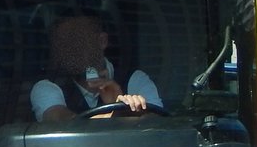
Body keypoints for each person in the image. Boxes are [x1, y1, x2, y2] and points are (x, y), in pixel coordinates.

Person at [30, 13, 162, 122]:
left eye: (77, 41)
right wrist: (116, 113)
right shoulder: (48, 87)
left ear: (102, 41)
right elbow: (61, 122)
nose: (69, 50)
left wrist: (131, 109)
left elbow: (158, 126)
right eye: (62, 43)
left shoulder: (134, 79)